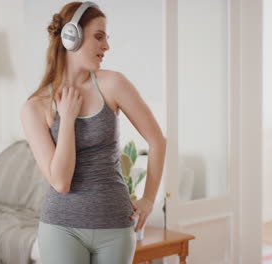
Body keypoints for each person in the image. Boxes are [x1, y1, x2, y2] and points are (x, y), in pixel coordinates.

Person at [20, 1, 167, 263]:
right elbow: (61, 182)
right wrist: (66, 120)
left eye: (106, 38)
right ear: (70, 38)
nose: (106, 47)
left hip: (116, 226)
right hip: (61, 228)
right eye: (98, 37)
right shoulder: (36, 107)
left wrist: (148, 199)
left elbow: (157, 140)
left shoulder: (113, 84)